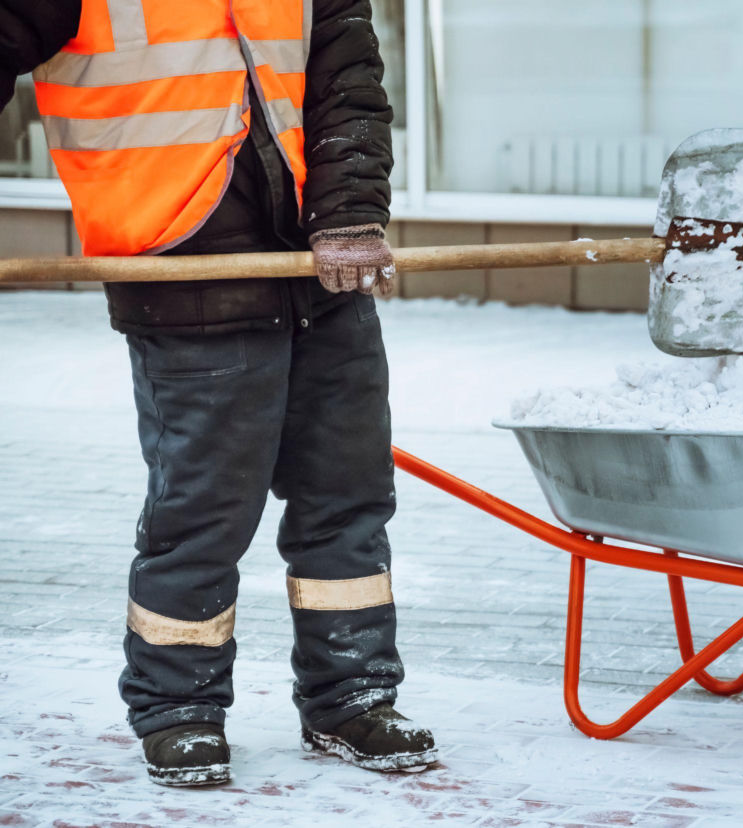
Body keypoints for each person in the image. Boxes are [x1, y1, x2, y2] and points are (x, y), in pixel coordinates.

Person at [1, 0, 436, 786]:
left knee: (347, 499)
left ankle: (355, 695)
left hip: (320, 272)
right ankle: (180, 709)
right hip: (181, 268)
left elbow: (348, 83)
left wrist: (348, 215)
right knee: (202, 514)